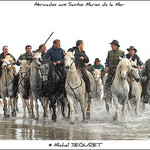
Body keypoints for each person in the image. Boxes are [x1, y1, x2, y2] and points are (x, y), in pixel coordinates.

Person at [104, 40, 126, 111]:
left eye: (112, 45)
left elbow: (124, 61)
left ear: (116, 45)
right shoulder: (109, 53)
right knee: (107, 84)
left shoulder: (122, 52)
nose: (111, 46)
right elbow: (107, 61)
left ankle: (130, 94)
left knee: (129, 80)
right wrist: (106, 67)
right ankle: (107, 95)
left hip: (119, 72)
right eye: (111, 45)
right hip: (111, 72)